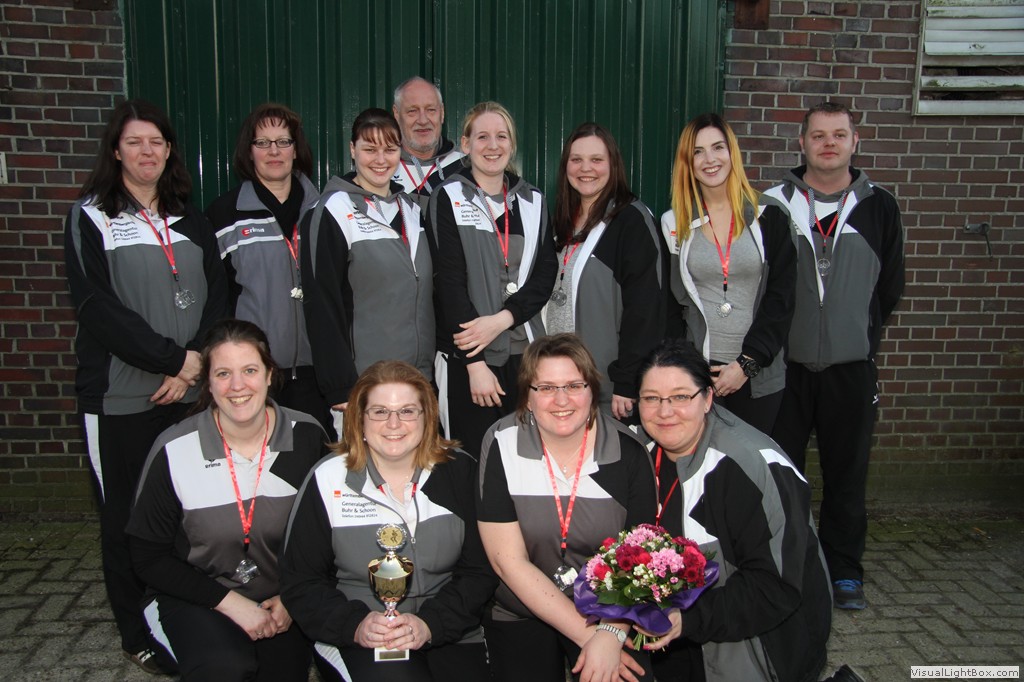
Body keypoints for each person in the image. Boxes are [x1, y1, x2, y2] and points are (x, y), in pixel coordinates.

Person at [63, 99, 228, 673]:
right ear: (116, 150)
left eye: (156, 141)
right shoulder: (92, 216)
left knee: (185, 511)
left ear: (169, 150)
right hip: (121, 397)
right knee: (126, 517)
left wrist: (195, 364)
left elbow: (218, 294)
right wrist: (172, 360)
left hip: (188, 391)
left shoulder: (190, 217)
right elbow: (96, 307)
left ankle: (182, 614)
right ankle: (136, 632)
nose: (147, 152)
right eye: (134, 142)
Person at [126, 319, 324, 681]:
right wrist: (231, 604)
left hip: (280, 601)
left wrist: (292, 598)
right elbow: (147, 558)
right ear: (208, 381)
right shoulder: (174, 448)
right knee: (224, 668)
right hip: (193, 598)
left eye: (249, 370)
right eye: (222, 373)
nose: (237, 386)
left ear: (269, 374)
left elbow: (329, 538)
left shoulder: (308, 436)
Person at [764, 102, 905, 610]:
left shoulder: (880, 206)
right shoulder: (772, 204)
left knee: (847, 475)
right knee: (783, 473)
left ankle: (844, 571)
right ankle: (791, 567)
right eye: (819, 135)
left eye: (839, 135)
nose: (829, 143)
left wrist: (851, 332)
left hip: (851, 369)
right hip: (785, 368)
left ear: (854, 141)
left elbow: (889, 288)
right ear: (801, 143)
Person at [280, 360, 495, 682]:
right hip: (360, 634)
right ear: (359, 419)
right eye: (380, 412)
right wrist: (356, 625)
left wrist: (430, 624)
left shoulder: (458, 470)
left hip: (449, 626)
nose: (394, 424)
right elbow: (301, 580)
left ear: (427, 417)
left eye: (407, 411)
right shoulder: (328, 478)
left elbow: (480, 570)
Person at [634, 340, 834, 682]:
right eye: (651, 398)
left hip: (758, 650)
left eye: (680, 397)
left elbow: (775, 586)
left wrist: (688, 618)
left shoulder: (750, 466)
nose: (664, 411)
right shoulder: (640, 453)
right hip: (676, 638)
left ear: (707, 399)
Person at [477, 334, 657, 682]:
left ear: (592, 391)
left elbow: (638, 560)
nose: (561, 400)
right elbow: (507, 561)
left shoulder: (629, 452)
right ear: (528, 397)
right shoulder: (501, 442)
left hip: (609, 609)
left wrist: (611, 633)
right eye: (546, 388)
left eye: (574, 385)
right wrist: (593, 640)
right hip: (522, 607)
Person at [430, 101, 557, 455]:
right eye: (482, 136)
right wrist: (475, 364)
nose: (493, 145)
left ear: (512, 145)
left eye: (501, 136)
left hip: (525, 355)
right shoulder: (448, 197)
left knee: (526, 456)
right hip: (470, 359)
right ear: (465, 144)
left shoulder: (533, 200)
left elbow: (545, 274)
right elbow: (449, 284)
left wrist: (503, 319)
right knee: (473, 458)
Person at [660, 113, 796, 435]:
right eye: (698, 151)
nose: (710, 159)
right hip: (698, 376)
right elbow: (670, 307)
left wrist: (748, 363)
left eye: (718, 147)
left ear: (732, 152)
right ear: (687, 162)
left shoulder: (770, 215)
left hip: (758, 375)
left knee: (752, 463)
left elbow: (782, 297)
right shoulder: (673, 223)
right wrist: (686, 367)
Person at [205, 103, 334, 437]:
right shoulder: (223, 215)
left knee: (313, 457)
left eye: (283, 141)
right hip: (252, 376)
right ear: (249, 151)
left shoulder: (326, 211)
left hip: (317, 374)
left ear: (296, 149)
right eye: (262, 142)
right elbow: (217, 298)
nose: (274, 151)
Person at [301, 108, 434, 417]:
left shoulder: (412, 210)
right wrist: (339, 385)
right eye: (370, 149)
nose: (380, 159)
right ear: (352, 150)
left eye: (389, 149)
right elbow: (321, 302)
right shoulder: (332, 210)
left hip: (417, 379)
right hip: (362, 384)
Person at [547, 122, 666, 421]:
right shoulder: (561, 220)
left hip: (607, 388)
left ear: (613, 165)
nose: (586, 168)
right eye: (576, 159)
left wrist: (628, 381)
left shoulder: (631, 221)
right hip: (560, 381)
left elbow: (645, 310)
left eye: (597, 159)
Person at [390, 77, 463, 209]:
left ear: (442, 113)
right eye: (412, 111)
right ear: (396, 114)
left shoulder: (465, 164)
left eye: (430, 110)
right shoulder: (380, 166)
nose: (423, 120)